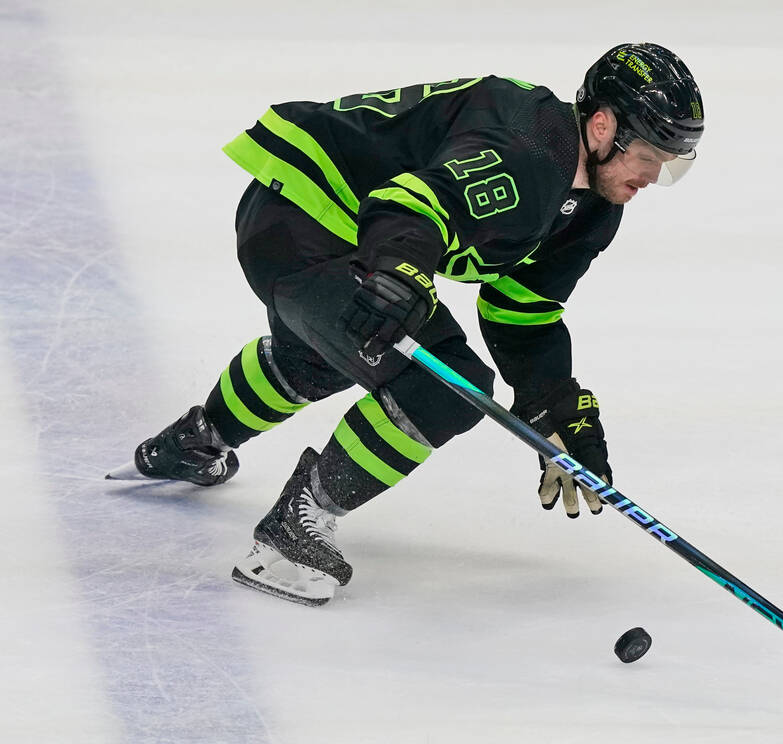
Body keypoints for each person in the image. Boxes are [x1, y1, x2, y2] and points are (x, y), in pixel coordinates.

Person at [115, 43, 705, 606]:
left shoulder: (593, 209)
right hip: (304, 216)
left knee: (325, 355)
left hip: (335, 228)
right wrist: (398, 271)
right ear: (602, 127)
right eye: (648, 156)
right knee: (446, 386)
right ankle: (293, 530)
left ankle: (196, 441)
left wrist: (552, 403)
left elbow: (522, 313)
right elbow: (414, 202)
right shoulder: (528, 157)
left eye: (668, 165)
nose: (653, 176)